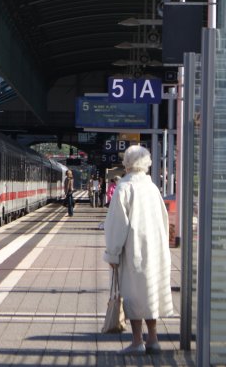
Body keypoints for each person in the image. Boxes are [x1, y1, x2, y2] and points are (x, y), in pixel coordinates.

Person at [103, 146, 173, 355]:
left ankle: (137, 341)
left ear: (126, 163)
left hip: (133, 249)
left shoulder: (124, 188)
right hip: (155, 249)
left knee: (133, 294)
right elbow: (164, 219)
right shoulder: (152, 188)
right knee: (150, 292)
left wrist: (112, 253)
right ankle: (153, 338)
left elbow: (117, 224)